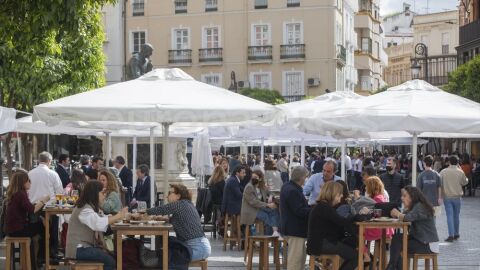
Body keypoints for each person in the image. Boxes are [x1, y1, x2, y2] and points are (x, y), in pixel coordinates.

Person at [66, 181, 127, 270]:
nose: (104, 195)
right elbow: (97, 223)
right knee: (110, 261)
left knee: (112, 256)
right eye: (102, 193)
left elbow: (101, 218)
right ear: (94, 194)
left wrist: (120, 216)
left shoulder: (88, 206)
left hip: (82, 248)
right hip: (78, 250)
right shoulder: (84, 209)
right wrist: (119, 216)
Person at [145, 184, 211, 261]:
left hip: (196, 248)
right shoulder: (187, 204)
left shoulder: (179, 204)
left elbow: (161, 209)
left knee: (165, 257)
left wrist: (142, 212)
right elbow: (180, 220)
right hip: (199, 246)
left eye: (170, 193)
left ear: (178, 196)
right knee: (164, 251)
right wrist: (165, 219)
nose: (167, 196)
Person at [307, 181, 362, 270]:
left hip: (319, 243)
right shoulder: (324, 207)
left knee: (352, 249)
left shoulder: (322, 206)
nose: (341, 196)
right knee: (356, 256)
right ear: (333, 193)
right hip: (321, 244)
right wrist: (357, 217)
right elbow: (341, 221)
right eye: (340, 194)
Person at [5, 170, 50, 268]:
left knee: (39, 224)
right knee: (44, 227)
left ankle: (34, 262)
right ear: (22, 182)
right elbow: (32, 209)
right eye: (28, 180)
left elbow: (27, 207)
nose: (30, 182)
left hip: (12, 229)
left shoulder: (16, 193)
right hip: (18, 230)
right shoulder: (21, 194)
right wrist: (43, 200)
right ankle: (43, 258)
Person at [387, 186, 439, 270]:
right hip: (420, 240)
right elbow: (406, 217)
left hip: (427, 244)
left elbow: (407, 218)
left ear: (412, 197)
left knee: (398, 245)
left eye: (404, 196)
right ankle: (393, 266)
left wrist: (398, 214)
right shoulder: (415, 207)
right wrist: (401, 214)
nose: (402, 198)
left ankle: (392, 266)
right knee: (397, 238)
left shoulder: (420, 206)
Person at [28, 151, 64, 261]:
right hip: (50, 209)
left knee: (37, 235)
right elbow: (60, 192)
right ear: (49, 161)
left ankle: (38, 258)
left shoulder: (30, 173)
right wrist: (60, 206)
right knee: (51, 234)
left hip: (33, 209)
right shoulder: (53, 174)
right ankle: (51, 257)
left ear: (39, 160)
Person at [279, 166, 311, 270]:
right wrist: (313, 210)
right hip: (295, 229)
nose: (307, 179)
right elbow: (299, 211)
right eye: (306, 177)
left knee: (300, 259)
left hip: (293, 229)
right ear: (301, 178)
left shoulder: (288, 186)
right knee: (295, 261)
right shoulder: (293, 190)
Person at [240, 170, 281, 237]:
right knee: (266, 216)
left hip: (259, 208)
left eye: (255, 177)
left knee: (274, 210)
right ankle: (269, 236)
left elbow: (271, 192)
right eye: (252, 177)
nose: (253, 179)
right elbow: (253, 202)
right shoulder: (249, 187)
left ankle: (275, 232)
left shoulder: (262, 186)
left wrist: (270, 195)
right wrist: (268, 205)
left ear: (260, 179)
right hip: (251, 210)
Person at [363, 176, 394, 261]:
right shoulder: (380, 197)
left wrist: (367, 212)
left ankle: (366, 256)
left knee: (357, 233)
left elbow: (377, 216)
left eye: (366, 186)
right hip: (383, 228)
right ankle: (368, 257)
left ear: (371, 187)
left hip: (380, 229)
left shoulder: (377, 199)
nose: (365, 188)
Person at [439, 155, 468, 242]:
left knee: (449, 216)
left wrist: (440, 196)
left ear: (449, 162)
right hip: (457, 197)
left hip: (447, 197)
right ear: (457, 162)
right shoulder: (460, 171)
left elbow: (439, 183)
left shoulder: (443, 172)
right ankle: (456, 233)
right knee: (456, 216)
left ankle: (451, 235)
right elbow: (465, 182)